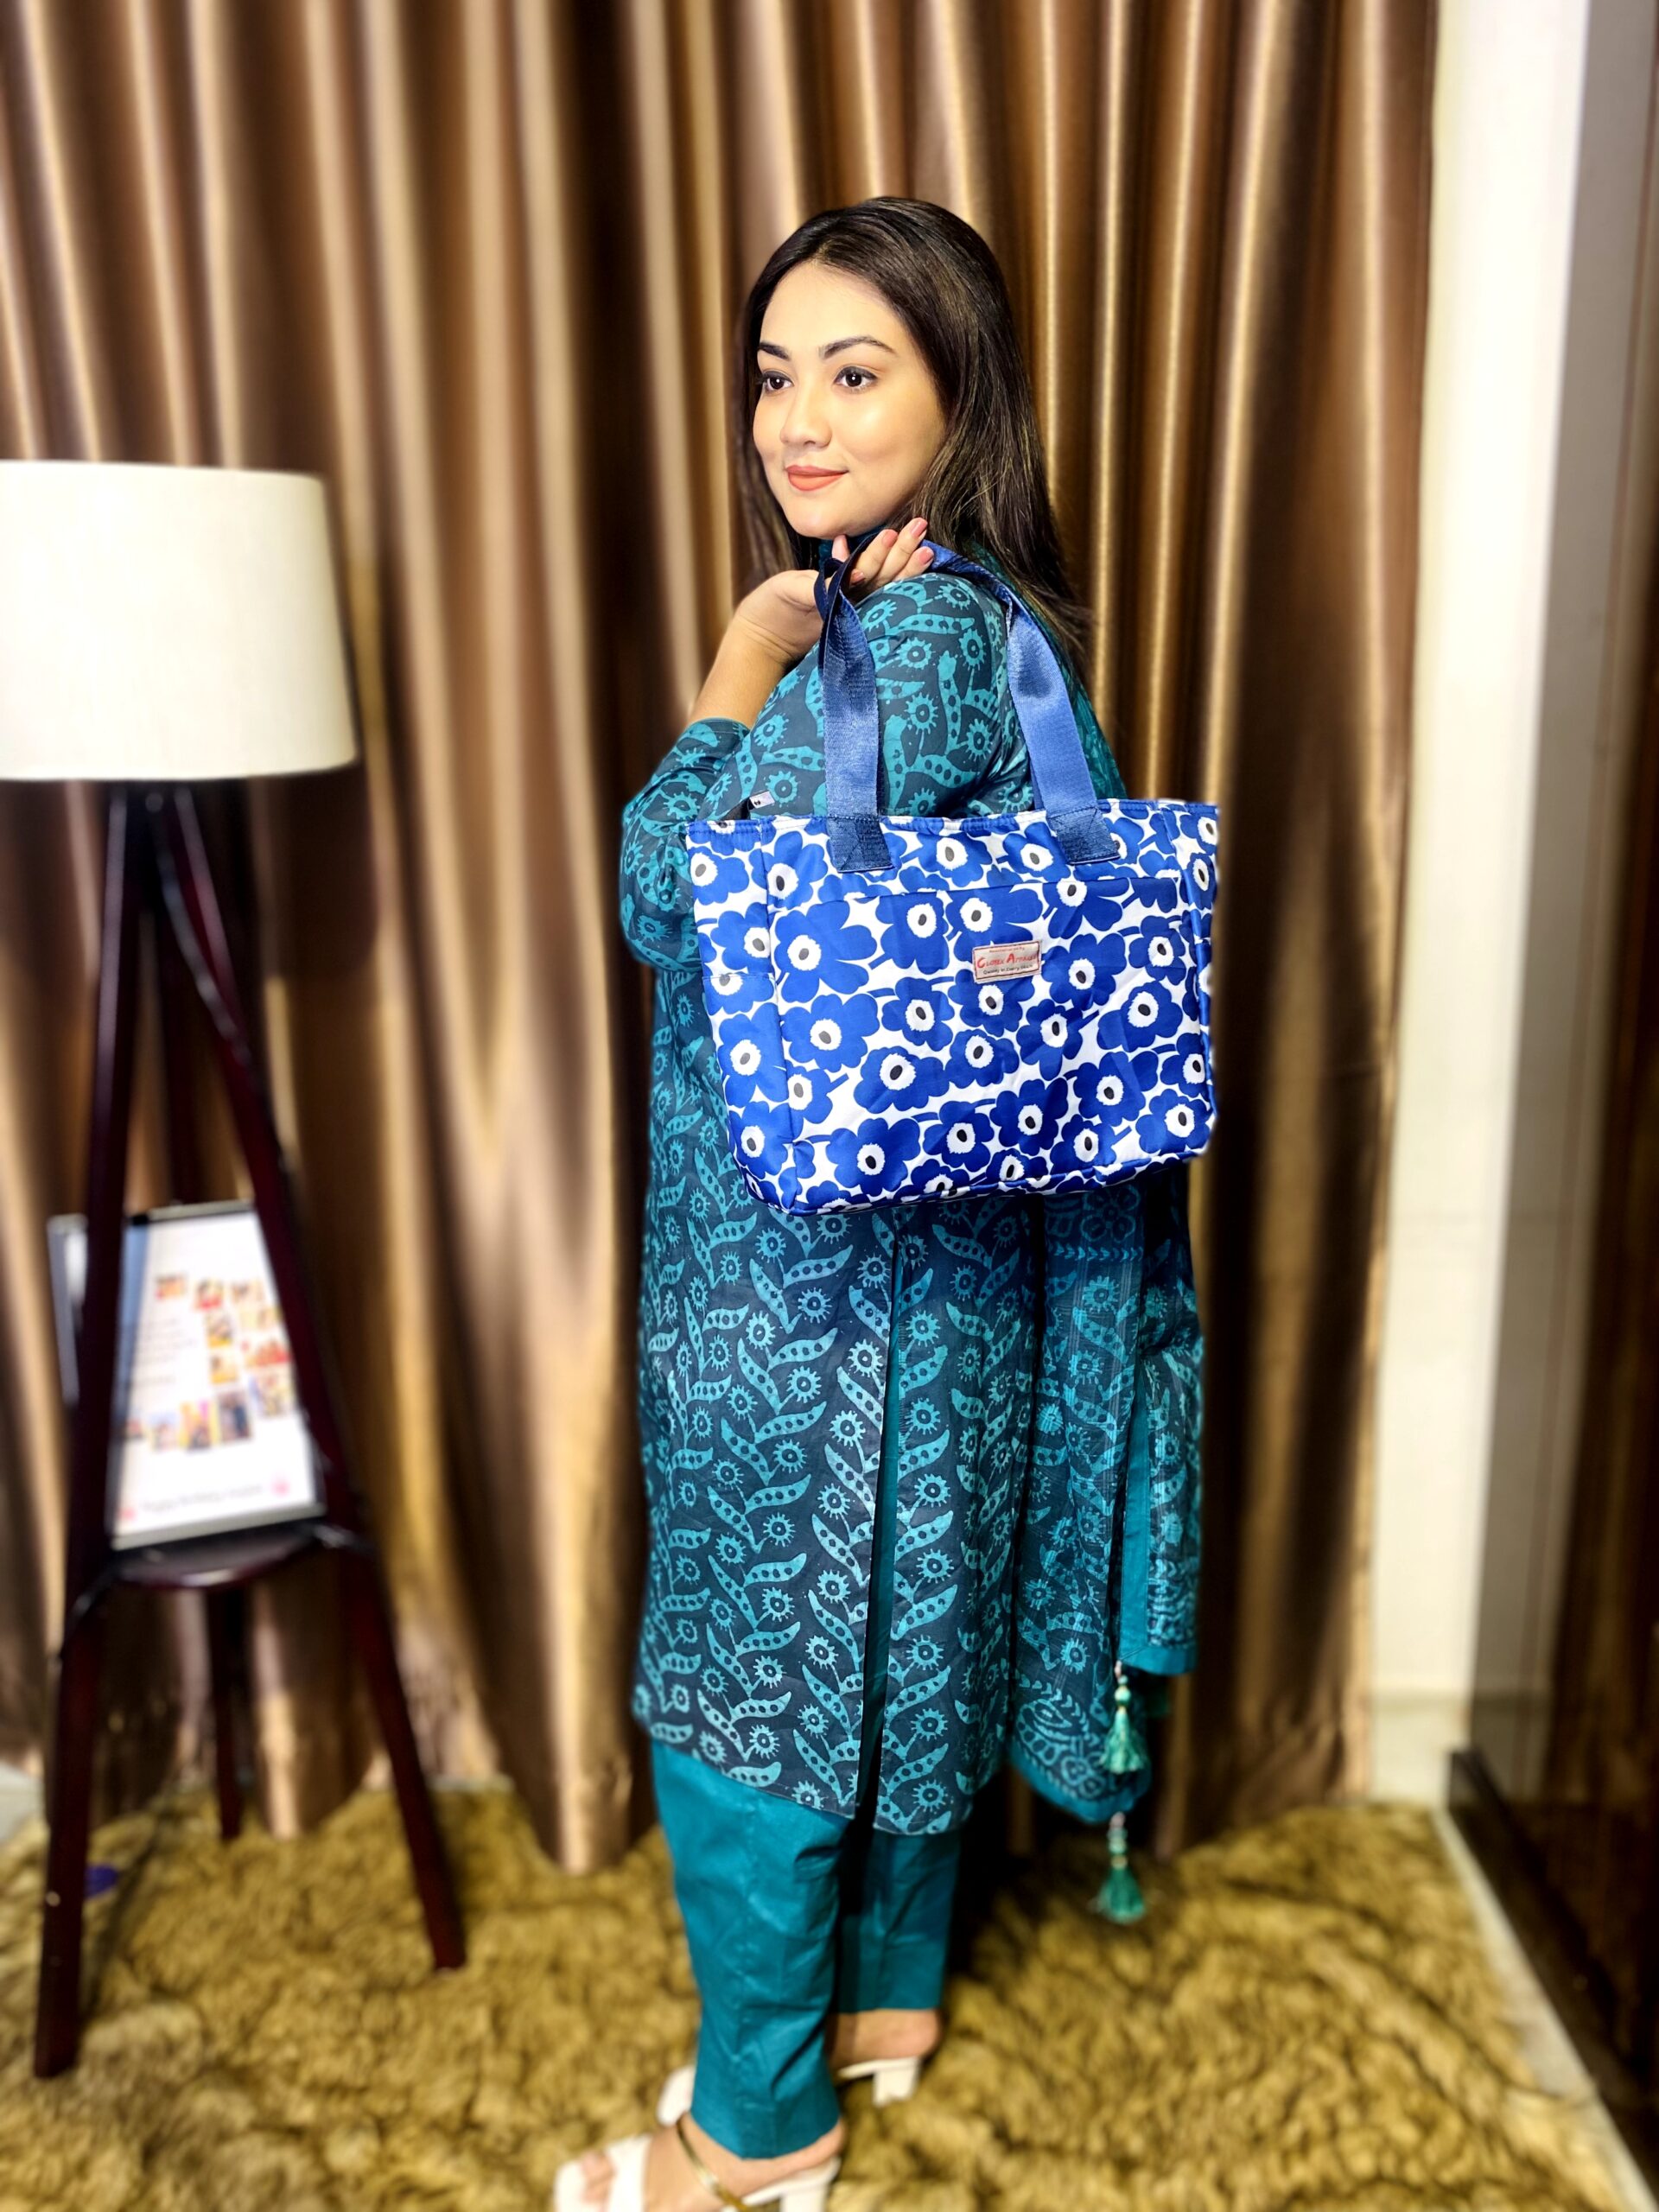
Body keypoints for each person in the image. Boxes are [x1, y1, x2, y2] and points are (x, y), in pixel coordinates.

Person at [558, 197, 1203, 2212]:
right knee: (909, 1656)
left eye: (857, 373)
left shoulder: (901, 642)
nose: (800, 422)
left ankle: (757, 2129)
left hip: (811, 1314)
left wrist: (740, 662)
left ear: (960, 394)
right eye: (777, 375)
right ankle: (884, 2007)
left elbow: (666, 892)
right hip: (957, 1305)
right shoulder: (997, 624)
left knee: (754, 1706)